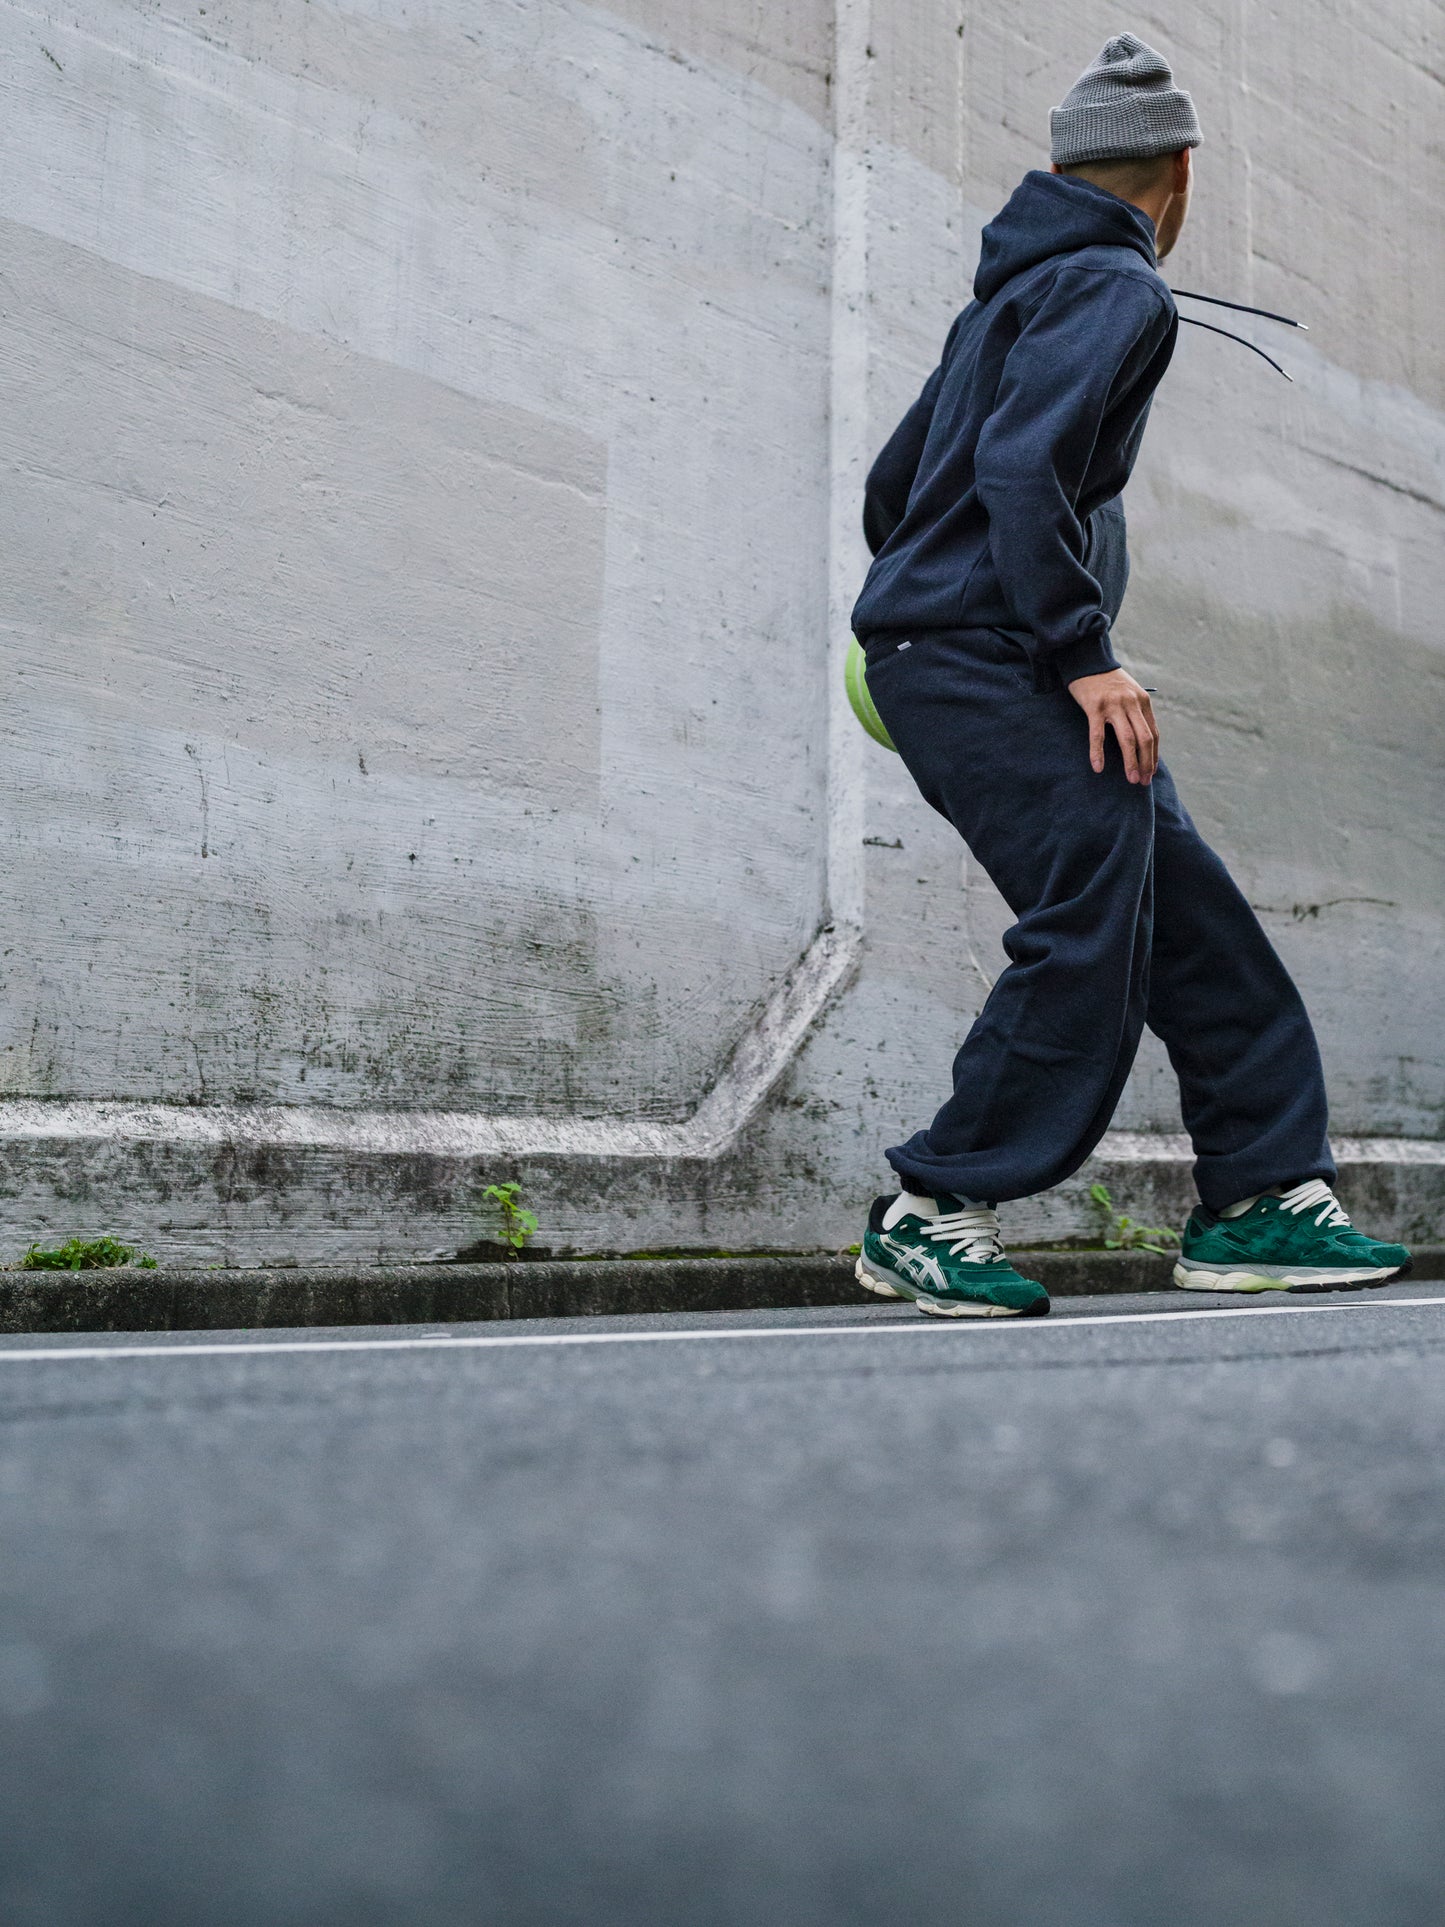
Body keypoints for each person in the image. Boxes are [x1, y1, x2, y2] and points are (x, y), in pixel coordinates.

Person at [851, 32, 1410, 1318]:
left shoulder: (999, 298)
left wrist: (941, 605)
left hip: (964, 651)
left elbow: (896, 489)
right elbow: (1018, 474)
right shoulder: (1114, 288)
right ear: (1181, 172)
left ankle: (1258, 1198)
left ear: (1065, 165)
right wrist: (1072, 646)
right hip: (999, 662)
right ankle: (929, 1208)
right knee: (1084, 922)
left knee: (1190, 916)